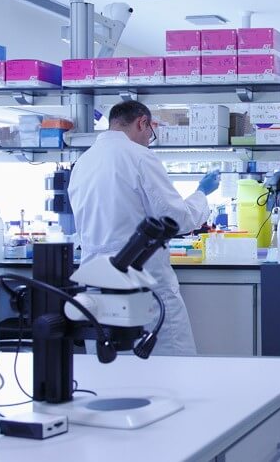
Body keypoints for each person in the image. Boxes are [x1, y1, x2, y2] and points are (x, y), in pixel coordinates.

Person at [68, 100, 221, 356]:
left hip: (95, 280)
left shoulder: (83, 162)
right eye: (151, 134)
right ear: (142, 123)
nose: (149, 141)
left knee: (108, 365)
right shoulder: (139, 156)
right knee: (168, 365)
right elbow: (176, 219)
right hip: (142, 279)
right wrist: (202, 193)